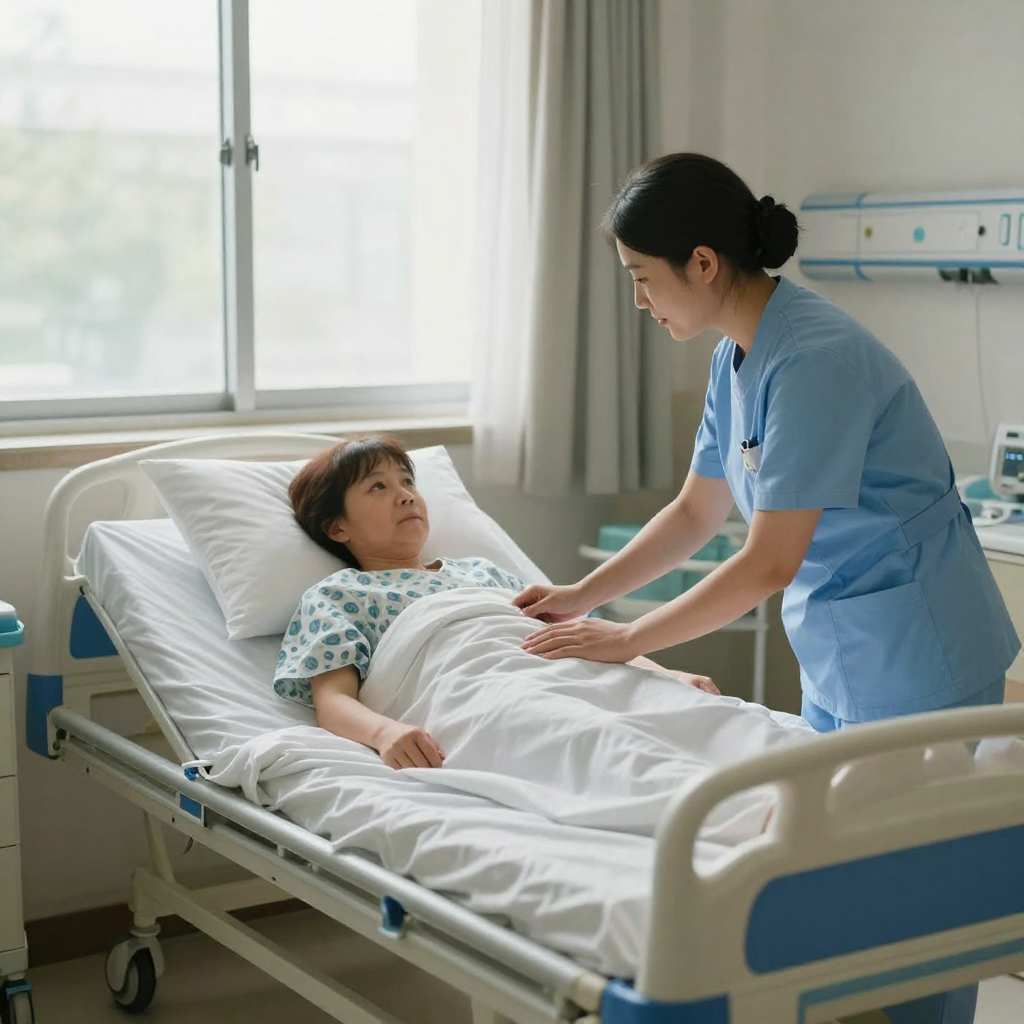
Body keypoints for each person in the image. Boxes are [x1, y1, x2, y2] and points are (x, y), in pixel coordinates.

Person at [513, 152, 1019, 1024]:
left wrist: (628, 640)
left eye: (642, 279)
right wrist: (581, 595)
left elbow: (767, 562)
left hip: (919, 651)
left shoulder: (816, 358)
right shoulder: (737, 357)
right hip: (845, 649)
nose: (638, 302)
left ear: (702, 263)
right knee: (842, 886)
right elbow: (694, 511)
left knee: (911, 902)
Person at [273, 435, 719, 771]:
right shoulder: (338, 596)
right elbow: (332, 701)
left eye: (407, 481)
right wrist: (386, 733)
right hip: (483, 694)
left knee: (690, 722)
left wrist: (667, 675)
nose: (406, 494)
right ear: (337, 529)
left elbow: (576, 640)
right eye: (377, 487)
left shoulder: (483, 573)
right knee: (598, 745)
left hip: (563, 674)